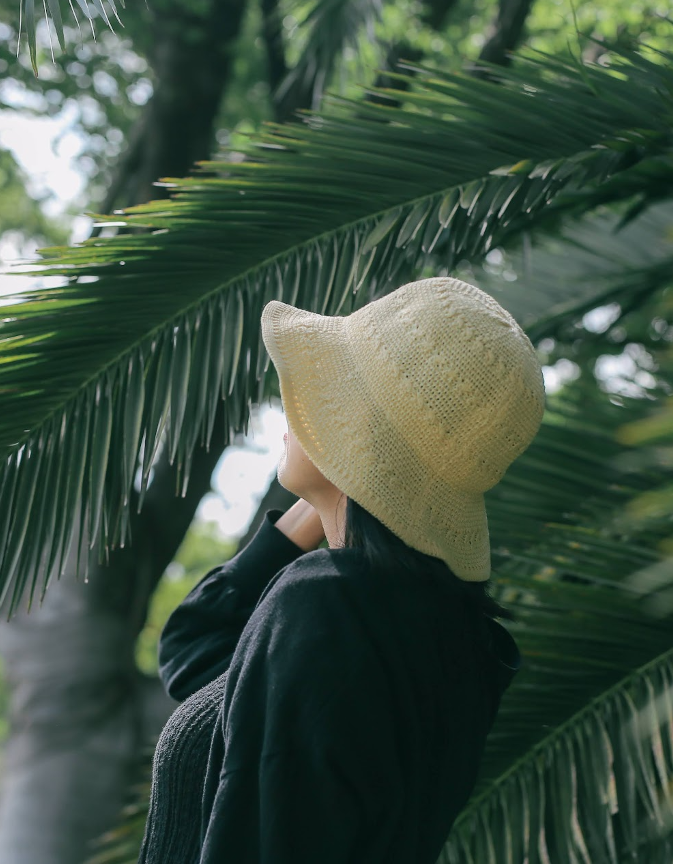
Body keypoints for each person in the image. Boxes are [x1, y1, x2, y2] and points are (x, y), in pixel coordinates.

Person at [137, 275, 546, 863]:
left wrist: (352, 484)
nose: (295, 406)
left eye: (329, 397)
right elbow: (195, 653)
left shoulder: (326, 609)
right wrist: (334, 499)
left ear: (360, 432)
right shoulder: (442, 641)